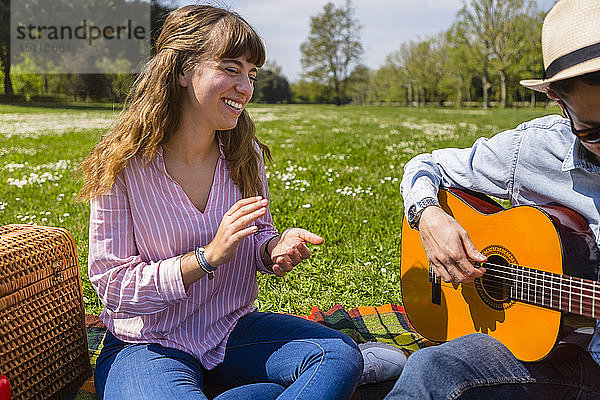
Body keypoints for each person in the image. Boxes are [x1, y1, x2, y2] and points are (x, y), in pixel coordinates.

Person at [78, 5, 364, 399]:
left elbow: (257, 237)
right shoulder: (122, 165)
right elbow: (113, 288)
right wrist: (206, 257)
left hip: (230, 330)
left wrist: (272, 248)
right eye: (230, 69)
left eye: (251, 74)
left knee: (337, 354)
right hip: (146, 344)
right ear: (181, 71)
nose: (245, 87)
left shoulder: (245, 155)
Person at [387, 0, 600, 398]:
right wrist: (429, 216)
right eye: (593, 133)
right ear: (557, 99)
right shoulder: (535, 148)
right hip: (544, 353)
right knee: (432, 369)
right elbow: (427, 165)